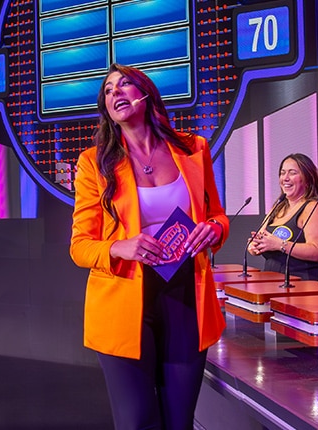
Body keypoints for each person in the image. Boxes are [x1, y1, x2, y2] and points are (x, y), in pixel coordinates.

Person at [70, 64, 229, 430]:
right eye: (108, 91)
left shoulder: (192, 149)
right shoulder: (94, 163)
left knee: (179, 421)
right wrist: (119, 247)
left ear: (146, 93)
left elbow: (218, 215)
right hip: (124, 300)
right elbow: (80, 246)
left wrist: (213, 230)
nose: (115, 93)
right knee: (137, 421)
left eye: (124, 84)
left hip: (185, 293)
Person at [247, 153, 318, 281]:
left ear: (307, 178)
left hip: (301, 284)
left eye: (292, 173)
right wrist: (254, 246)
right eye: (282, 173)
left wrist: (280, 245)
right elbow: (262, 239)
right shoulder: (278, 207)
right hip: (272, 281)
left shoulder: (313, 207)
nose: (285, 178)